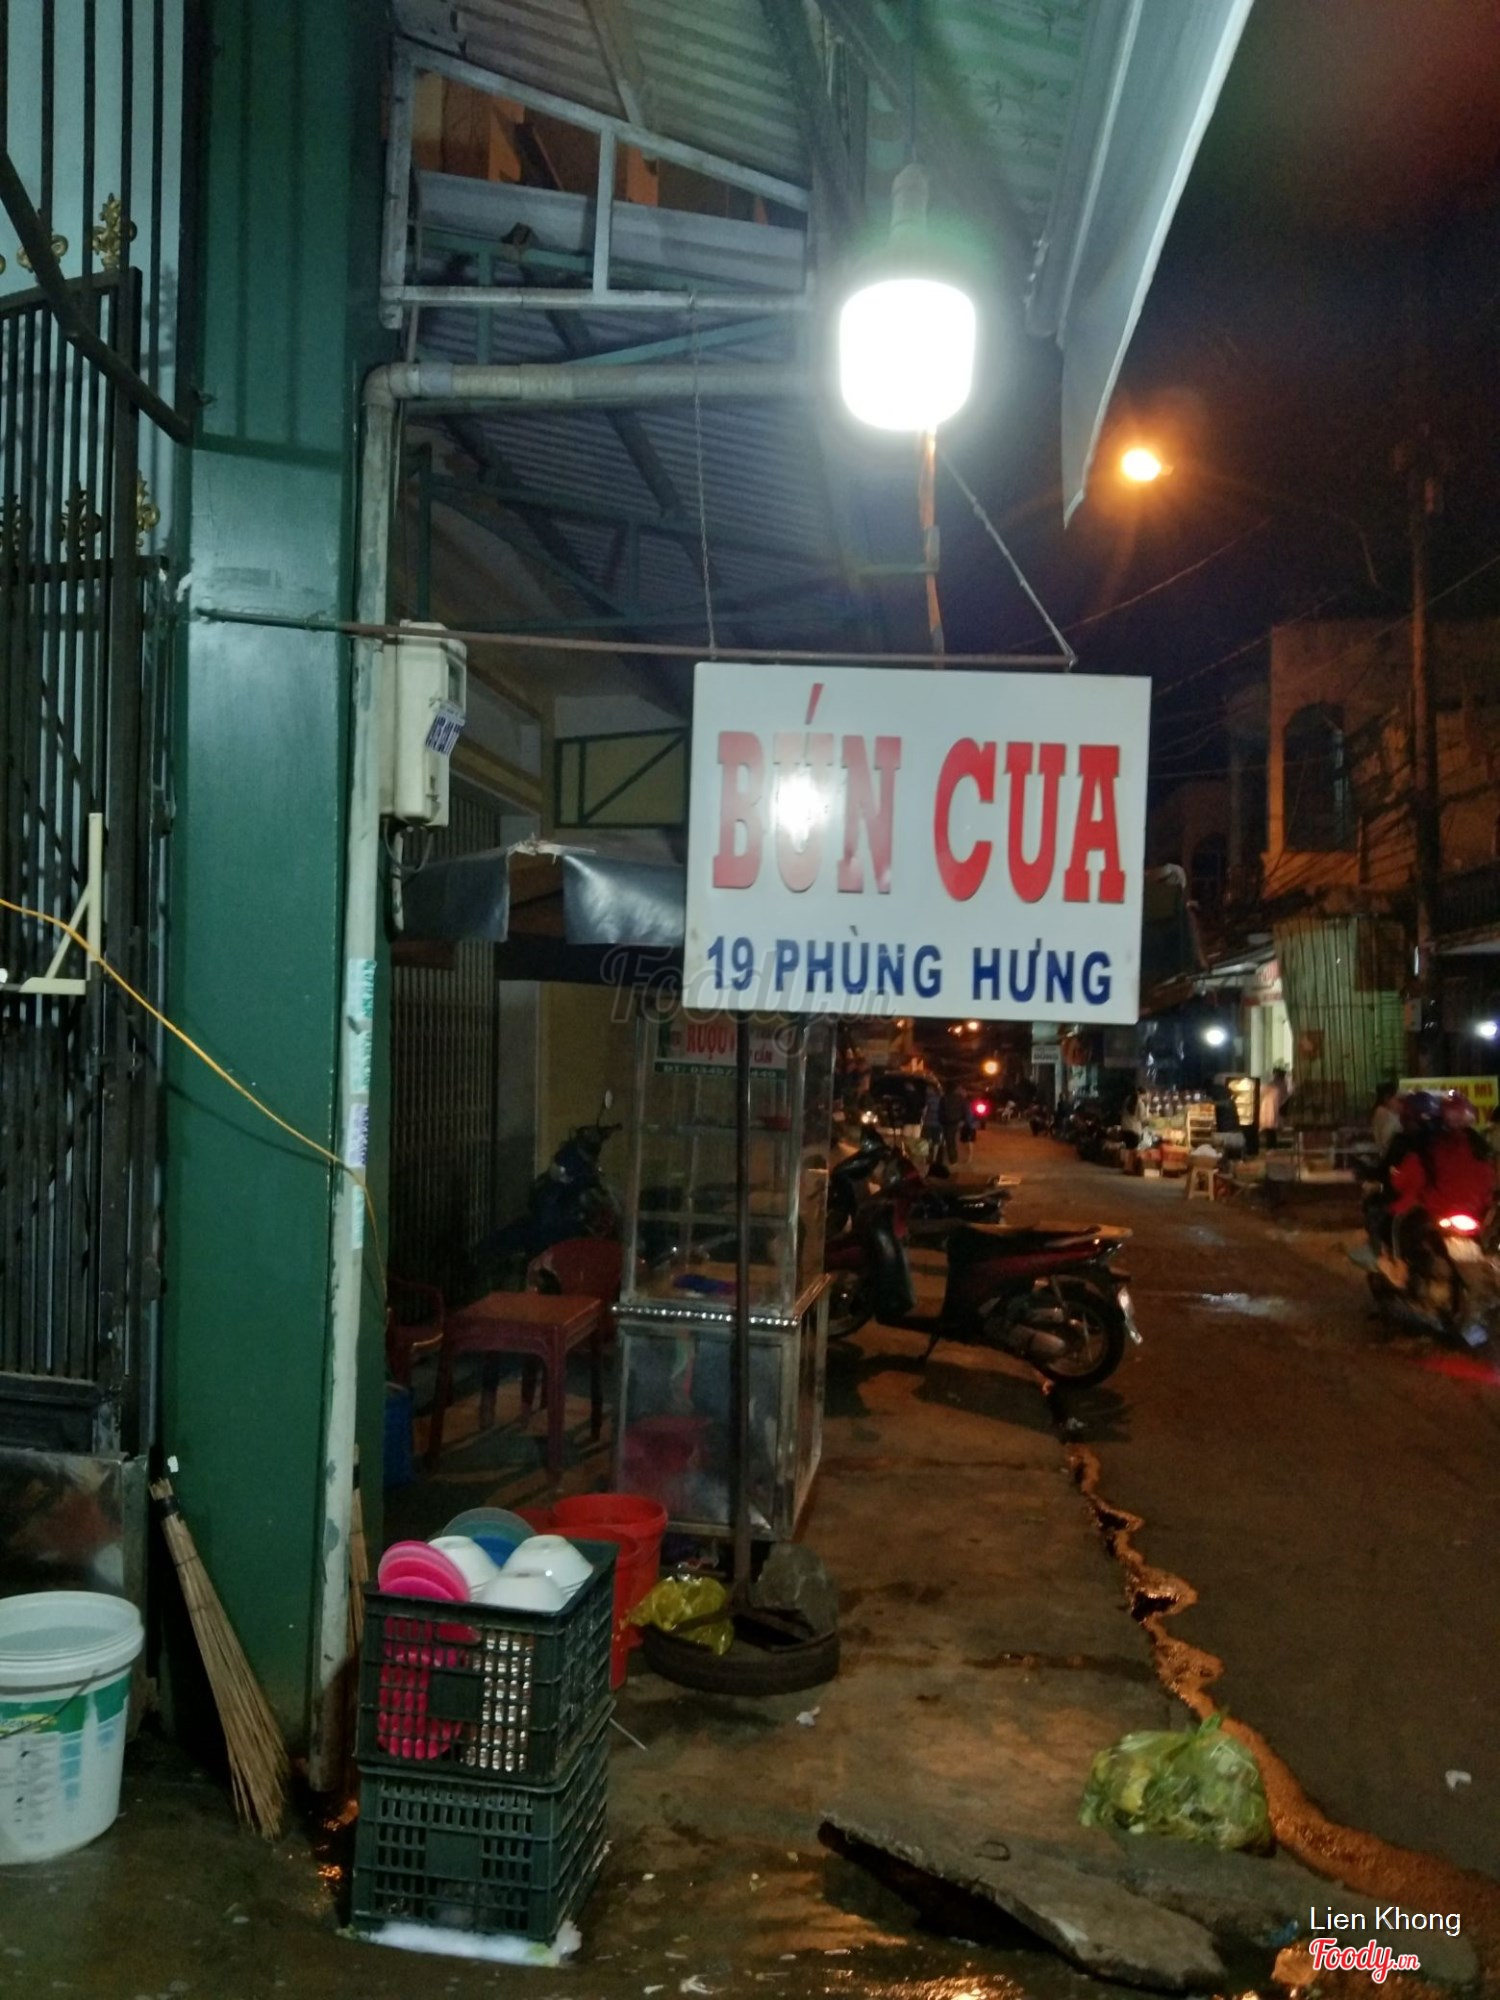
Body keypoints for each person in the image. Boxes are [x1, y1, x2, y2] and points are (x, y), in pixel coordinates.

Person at [1257, 1065, 1289, 1147]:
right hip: (1272, 1110)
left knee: (1270, 1131)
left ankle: (1271, 1147)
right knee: (1271, 1131)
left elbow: (1262, 1090)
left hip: (1271, 1110)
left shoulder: (1276, 1085)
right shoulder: (1282, 1085)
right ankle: (1272, 1146)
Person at [939, 1079, 969, 1167]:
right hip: (955, 1121)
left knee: (946, 1141)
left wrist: (940, 1120)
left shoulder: (944, 1097)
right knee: (951, 1141)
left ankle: (946, 1159)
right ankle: (952, 1159)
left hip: (946, 1121)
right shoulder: (960, 1098)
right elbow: (965, 1110)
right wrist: (963, 1120)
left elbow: (941, 1110)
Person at [1371, 1078, 1402, 1158]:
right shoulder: (1383, 1113)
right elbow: (1386, 1138)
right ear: (1387, 1098)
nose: (1398, 1102)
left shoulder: (1386, 1112)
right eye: (1396, 1099)